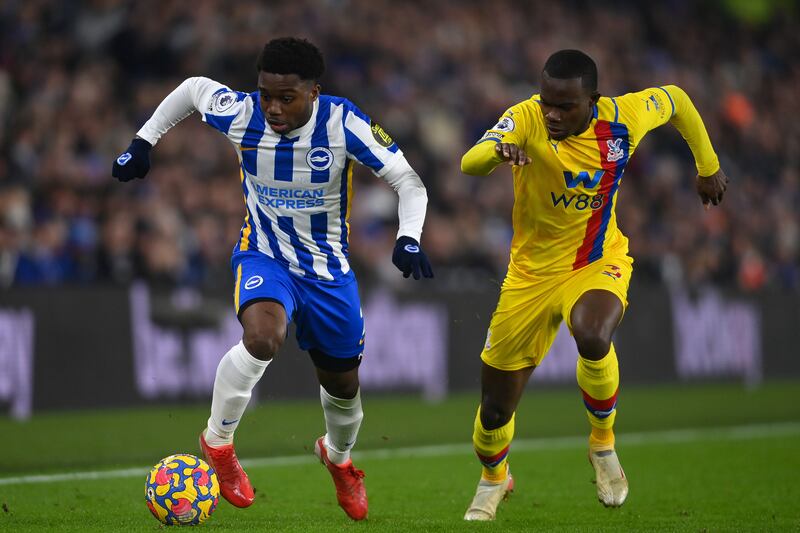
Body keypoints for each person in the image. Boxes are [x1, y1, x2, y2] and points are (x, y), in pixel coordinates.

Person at [112, 37, 433, 521]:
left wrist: (408, 237)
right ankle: (218, 444)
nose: (273, 108)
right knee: (263, 337)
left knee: (343, 388)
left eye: (287, 97)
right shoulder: (243, 114)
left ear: (314, 92)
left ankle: (339, 459)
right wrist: (144, 140)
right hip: (264, 255)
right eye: (266, 95)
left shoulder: (343, 122)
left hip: (327, 272)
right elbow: (195, 89)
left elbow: (408, 180)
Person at [460, 49, 728, 520]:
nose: (552, 114)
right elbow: (470, 162)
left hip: (596, 260)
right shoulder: (524, 117)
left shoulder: (623, 118)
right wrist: (496, 152)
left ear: (593, 101)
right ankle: (494, 478)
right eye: (548, 103)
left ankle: (602, 445)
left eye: (565, 106)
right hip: (529, 278)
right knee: (495, 412)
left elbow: (679, 100)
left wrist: (707, 167)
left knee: (592, 332)